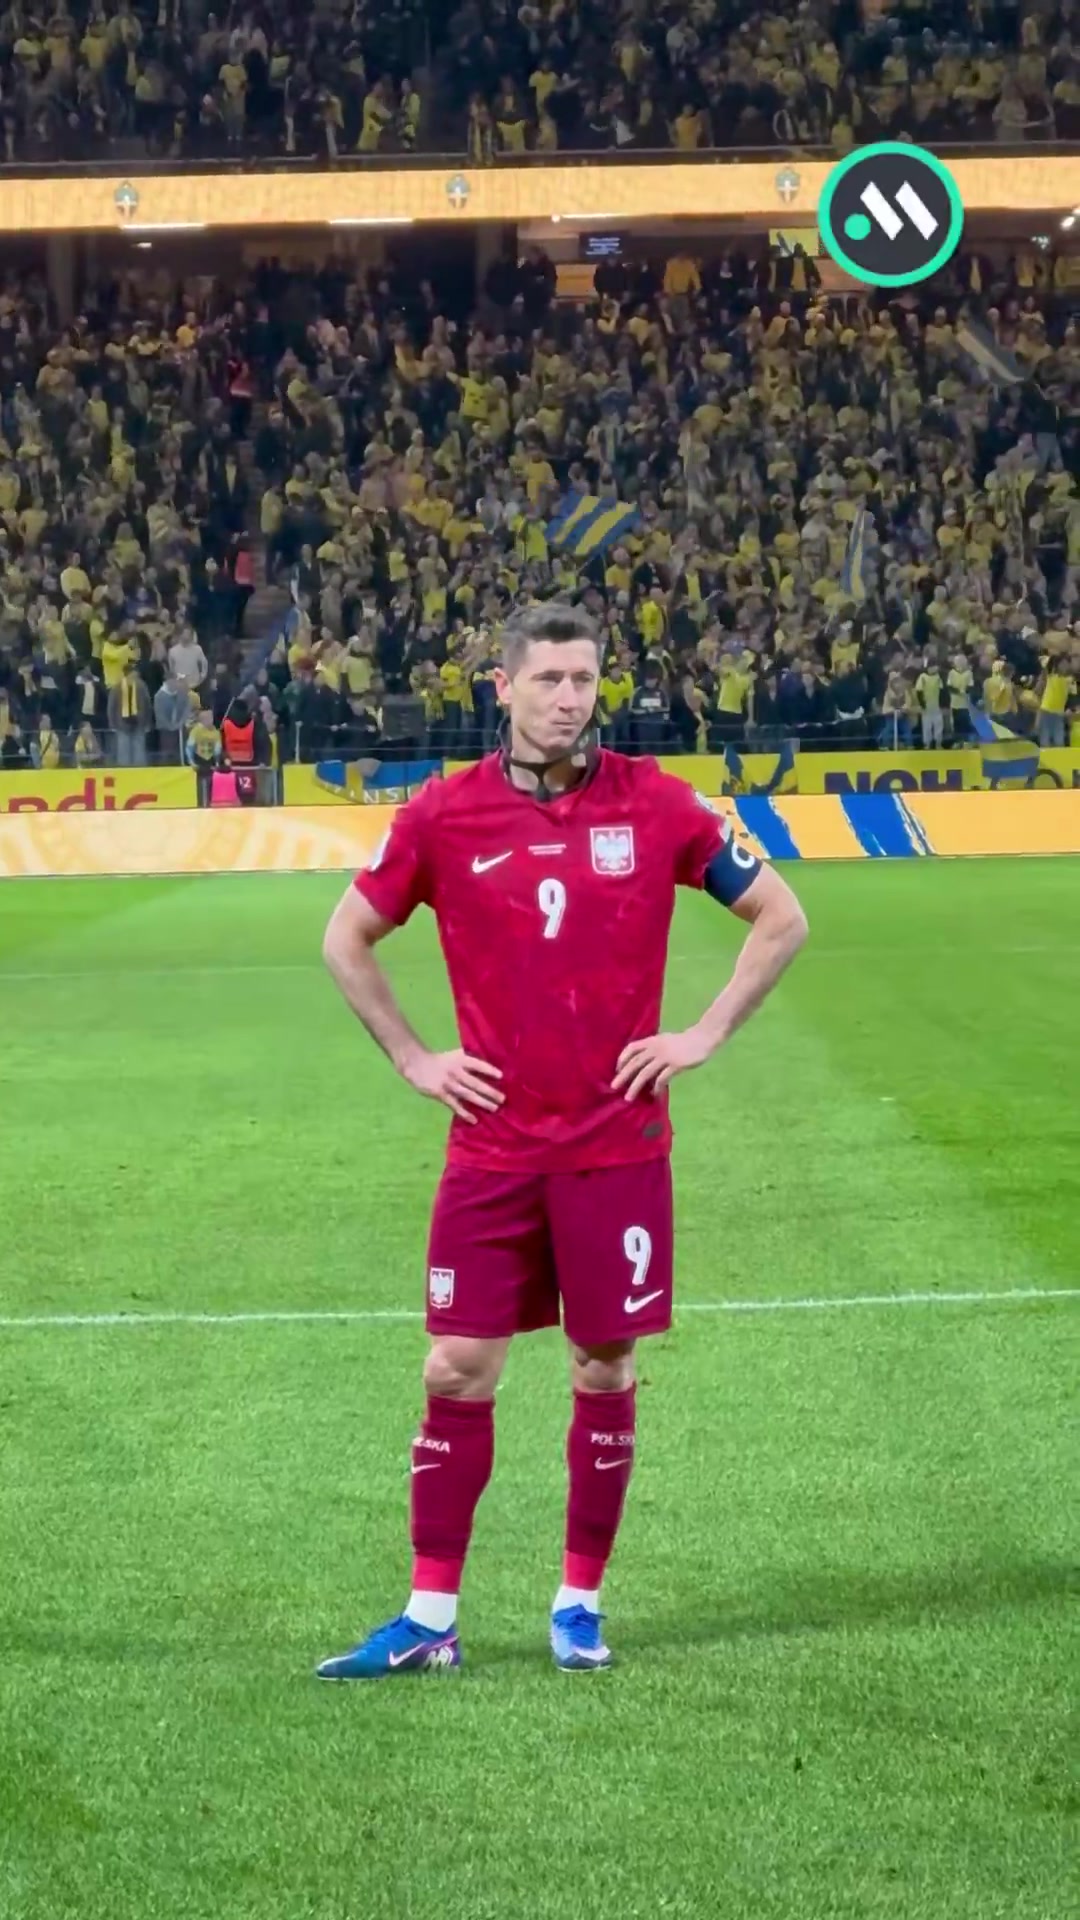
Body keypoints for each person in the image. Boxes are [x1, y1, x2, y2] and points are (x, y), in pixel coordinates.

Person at [316, 603, 808, 1681]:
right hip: (491, 1150)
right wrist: (414, 1059)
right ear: (502, 688)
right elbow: (345, 938)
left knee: (603, 1361)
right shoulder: (444, 814)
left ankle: (578, 1603)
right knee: (456, 1366)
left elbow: (783, 917)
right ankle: (430, 1617)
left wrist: (702, 1034)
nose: (568, 699)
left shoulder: (661, 803)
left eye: (584, 679)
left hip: (616, 1148)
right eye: (547, 680)